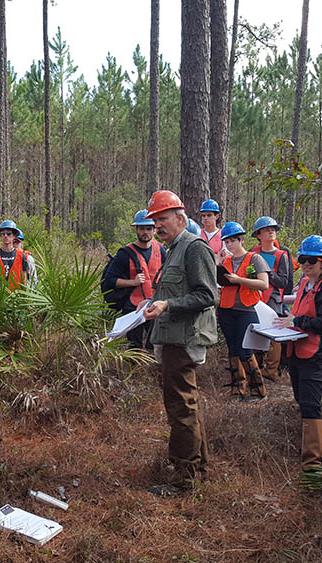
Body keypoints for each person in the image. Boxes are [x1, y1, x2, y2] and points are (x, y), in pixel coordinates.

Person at [141, 190, 217, 495]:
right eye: (155, 220)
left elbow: (207, 295)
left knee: (180, 408)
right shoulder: (172, 248)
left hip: (183, 340)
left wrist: (167, 306)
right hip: (171, 338)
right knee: (189, 405)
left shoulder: (194, 248)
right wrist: (153, 304)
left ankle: (184, 480)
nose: (158, 225)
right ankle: (198, 467)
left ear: (180, 217)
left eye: (163, 218)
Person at [272, 236, 322, 469]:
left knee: (310, 403)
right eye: (303, 259)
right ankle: (309, 447)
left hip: (317, 355)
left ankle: (314, 460)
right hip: (298, 350)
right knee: (301, 399)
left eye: (312, 261)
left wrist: (297, 321)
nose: (306, 264)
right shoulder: (306, 284)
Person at [216, 221, 270, 400]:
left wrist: (239, 280)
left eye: (232, 240)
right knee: (232, 350)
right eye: (226, 241)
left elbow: (264, 284)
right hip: (226, 309)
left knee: (245, 350)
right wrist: (217, 263)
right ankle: (237, 388)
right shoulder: (226, 260)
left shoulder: (255, 259)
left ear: (241, 240)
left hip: (247, 309)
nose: (229, 244)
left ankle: (258, 389)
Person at [106, 209, 167, 349]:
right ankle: (135, 370)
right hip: (133, 308)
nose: (145, 232)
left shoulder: (161, 250)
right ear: (136, 229)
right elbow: (110, 280)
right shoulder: (124, 254)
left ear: (154, 230)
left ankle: (153, 370)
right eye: (141, 228)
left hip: (155, 305)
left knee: (156, 344)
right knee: (134, 348)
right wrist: (132, 282)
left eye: (149, 228)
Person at [249, 216, 293, 384]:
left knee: (274, 333)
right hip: (254, 296)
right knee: (255, 330)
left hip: (273, 298)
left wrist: (266, 273)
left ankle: (271, 370)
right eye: (267, 229)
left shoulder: (282, 255)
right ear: (258, 235)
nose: (271, 232)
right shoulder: (253, 252)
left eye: (273, 229)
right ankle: (255, 366)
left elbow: (283, 281)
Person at [0, 220, 33, 289]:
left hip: (16, 296)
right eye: (2, 233)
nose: (5, 236)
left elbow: (24, 280)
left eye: (9, 233)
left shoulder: (21, 255)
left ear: (14, 235)